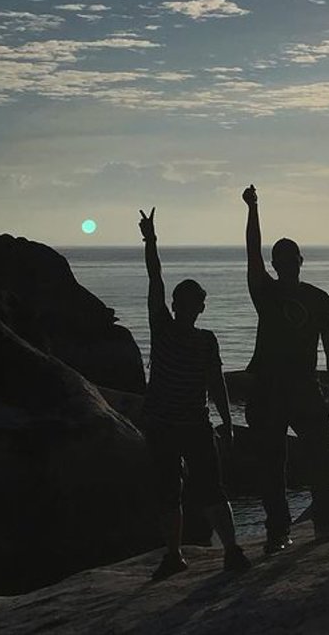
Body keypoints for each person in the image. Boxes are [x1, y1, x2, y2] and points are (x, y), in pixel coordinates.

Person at [138, 206, 250, 581]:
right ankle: (200, 552)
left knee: (196, 490)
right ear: (182, 306)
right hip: (173, 424)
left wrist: (227, 421)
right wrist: (151, 240)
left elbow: (216, 382)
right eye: (189, 303)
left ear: (196, 307)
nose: (191, 308)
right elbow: (155, 276)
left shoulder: (200, 339)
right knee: (182, 490)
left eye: (194, 303)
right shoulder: (166, 328)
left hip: (183, 424)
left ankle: (218, 550)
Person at [242, 184, 329, 552]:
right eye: (282, 260)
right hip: (270, 387)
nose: (288, 265)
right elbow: (252, 252)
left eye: (291, 259)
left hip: (303, 386)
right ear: (277, 265)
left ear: (300, 261)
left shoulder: (318, 298)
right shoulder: (266, 292)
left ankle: (321, 520)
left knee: (320, 456)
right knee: (274, 461)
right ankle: (280, 531)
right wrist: (253, 209)